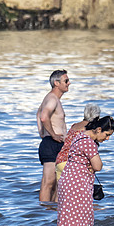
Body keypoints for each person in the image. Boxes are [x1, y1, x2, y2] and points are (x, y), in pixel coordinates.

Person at [57, 116, 114, 226]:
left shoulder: (79, 137)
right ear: (98, 130)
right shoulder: (88, 143)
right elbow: (98, 166)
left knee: (80, 216)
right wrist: (93, 164)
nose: (107, 139)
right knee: (82, 217)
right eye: (107, 134)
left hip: (70, 180)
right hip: (78, 183)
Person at [36, 70, 70, 202]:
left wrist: (42, 133)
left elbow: (38, 114)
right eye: (66, 81)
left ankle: (54, 216)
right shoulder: (51, 98)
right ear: (56, 83)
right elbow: (44, 117)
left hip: (55, 142)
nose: (69, 83)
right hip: (52, 143)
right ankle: (43, 216)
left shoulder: (52, 99)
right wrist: (52, 135)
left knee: (58, 183)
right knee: (48, 182)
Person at [55, 104, 101, 181]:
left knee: (62, 191)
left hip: (60, 160)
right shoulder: (90, 130)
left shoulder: (74, 125)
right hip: (72, 163)